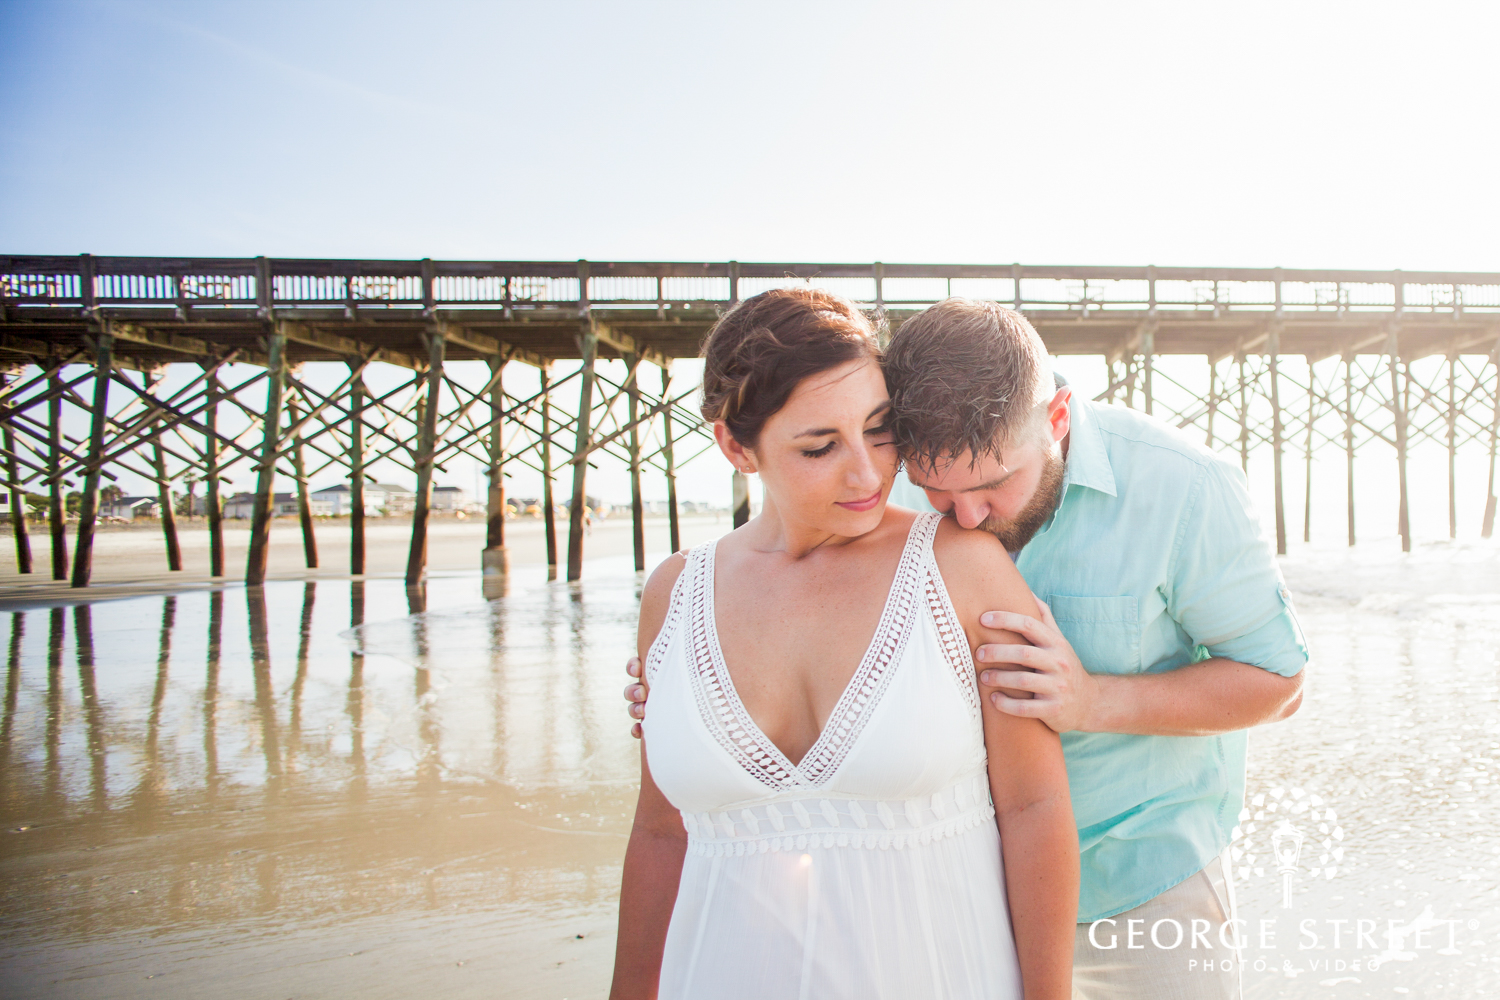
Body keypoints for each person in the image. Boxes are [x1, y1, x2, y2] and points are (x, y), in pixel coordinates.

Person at [627, 298, 1309, 1000]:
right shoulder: (899, 476)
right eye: (934, 492)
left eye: (992, 487)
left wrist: (1092, 700)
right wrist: (698, 703)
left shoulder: (1183, 487)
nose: (965, 517)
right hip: (963, 888)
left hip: (1142, 875)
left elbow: (1280, 681)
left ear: (1057, 420)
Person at [609, 288, 1078, 1000]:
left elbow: (1035, 808)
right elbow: (659, 835)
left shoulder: (961, 569)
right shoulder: (675, 594)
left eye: (880, 429)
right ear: (737, 446)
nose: (866, 473)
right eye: (820, 446)